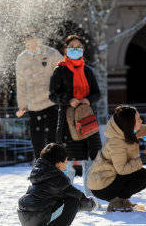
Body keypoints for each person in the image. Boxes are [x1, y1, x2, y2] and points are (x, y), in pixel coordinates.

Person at [49, 35, 102, 197]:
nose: (75, 49)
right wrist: (68, 100)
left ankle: (89, 196)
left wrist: (88, 99)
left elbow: (97, 94)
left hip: (87, 120)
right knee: (68, 161)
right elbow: (53, 95)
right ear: (65, 49)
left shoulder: (88, 70)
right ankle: (67, 196)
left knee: (90, 161)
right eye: (72, 46)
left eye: (78, 46)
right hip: (68, 121)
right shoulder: (60, 70)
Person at [18, 143, 97, 226]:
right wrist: (91, 204)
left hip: (27, 216)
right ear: (59, 163)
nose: (66, 166)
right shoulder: (58, 178)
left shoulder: (38, 173)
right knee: (73, 201)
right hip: (40, 217)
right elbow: (77, 195)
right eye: (65, 163)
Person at [87, 105, 146, 212]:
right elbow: (122, 170)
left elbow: (143, 130)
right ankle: (118, 201)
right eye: (138, 119)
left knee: (140, 173)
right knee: (142, 175)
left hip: (111, 178)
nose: (141, 120)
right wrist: (139, 160)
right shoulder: (117, 142)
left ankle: (122, 199)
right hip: (102, 185)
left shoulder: (127, 132)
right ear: (130, 122)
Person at [15, 32, 63, 158]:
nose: (32, 43)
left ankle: (55, 165)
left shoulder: (52, 54)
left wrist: (61, 96)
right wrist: (22, 105)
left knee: (54, 138)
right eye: (29, 40)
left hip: (51, 102)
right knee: (37, 140)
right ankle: (40, 166)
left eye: (35, 39)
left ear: (40, 40)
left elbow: (62, 74)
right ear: (25, 42)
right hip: (34, 105)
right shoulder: (21, 59)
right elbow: (21, 84)